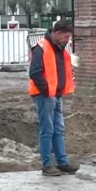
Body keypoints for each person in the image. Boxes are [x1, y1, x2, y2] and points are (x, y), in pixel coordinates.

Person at [28, 20, 79, 176]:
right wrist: (46, 91)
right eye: (66, 37)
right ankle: (47, 164)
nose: (67, 40)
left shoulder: (58, 48)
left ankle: (62, 162)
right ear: (56, 34)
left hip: (55, 94)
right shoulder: (42, 48)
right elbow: (35, 73)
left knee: (58, 129)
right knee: (47, 129)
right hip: (45, 96)